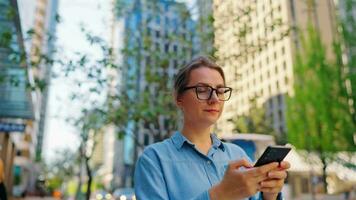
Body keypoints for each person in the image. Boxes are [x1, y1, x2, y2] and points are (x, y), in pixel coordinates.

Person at [134, 56, 290, 200]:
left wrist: (270, 195)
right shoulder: (154, 159)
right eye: (202, 90)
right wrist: (219, 194)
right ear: (178, 98)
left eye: (220, 91)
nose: (214, 99)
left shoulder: (238, 155)